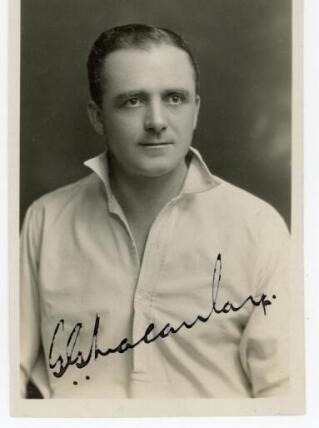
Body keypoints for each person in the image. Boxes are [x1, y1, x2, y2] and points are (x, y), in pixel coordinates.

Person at [20, 24, 290, 399]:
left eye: (175, 98)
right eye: (133, 101)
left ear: (195, 110)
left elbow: (286, 395)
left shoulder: (258, 228)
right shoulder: (45, 222)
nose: (157, 121)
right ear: (98, 116)